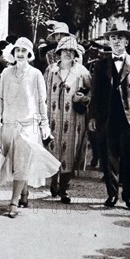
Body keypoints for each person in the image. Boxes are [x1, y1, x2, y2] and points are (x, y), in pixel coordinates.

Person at [0, 37, 59, 218]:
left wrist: (44, 125)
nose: (20, 54)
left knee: (22, 162)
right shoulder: (5, 73)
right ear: (13, 54)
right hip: (8, 125)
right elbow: (0, 99)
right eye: (17, 51)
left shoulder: (36, 74)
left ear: (29, 54)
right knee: (13, 163)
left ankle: (13, 203)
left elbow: (41, 101)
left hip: (28, 126)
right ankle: (23, 193)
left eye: (23, 51)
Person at [89, 24, 130, 210]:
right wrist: (92, 116)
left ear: (127, 41)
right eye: (113, 38)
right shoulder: (100, 65)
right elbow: (95, 93)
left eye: (120, 38)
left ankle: (128, 193)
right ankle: (112, 194)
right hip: (108, 117)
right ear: (109, 42)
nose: (116, 42)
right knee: (109, 157)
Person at [44, 36, 91, 203]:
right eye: (65, 50)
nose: (68, 54)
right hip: (52, 118)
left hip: (73, 120)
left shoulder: (82, 72)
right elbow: (42, 94)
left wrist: (83, 98)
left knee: (69, 152)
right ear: (59, 52)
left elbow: (91, 93)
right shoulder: (51, 71)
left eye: (71, 51)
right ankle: (53, 182)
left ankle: (64, 188)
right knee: (52, 149)